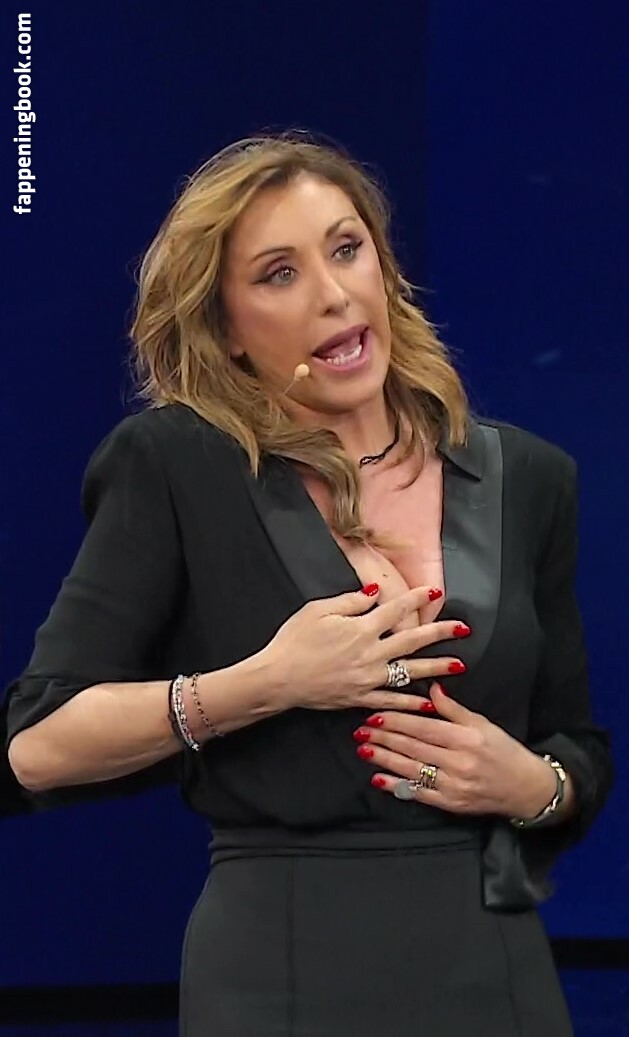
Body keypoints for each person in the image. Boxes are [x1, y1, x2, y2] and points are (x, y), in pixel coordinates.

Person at [4, 131, 613, 1036]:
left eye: (346, 248)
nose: (332, 294)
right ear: (225, 328)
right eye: (279, 274)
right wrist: (267, 682)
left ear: (384, 267)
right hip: (279, 968)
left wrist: (534, 785)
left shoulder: (528, 476)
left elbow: (577, 746)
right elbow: (36, 746)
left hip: (495, 963)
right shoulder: (176, 467)